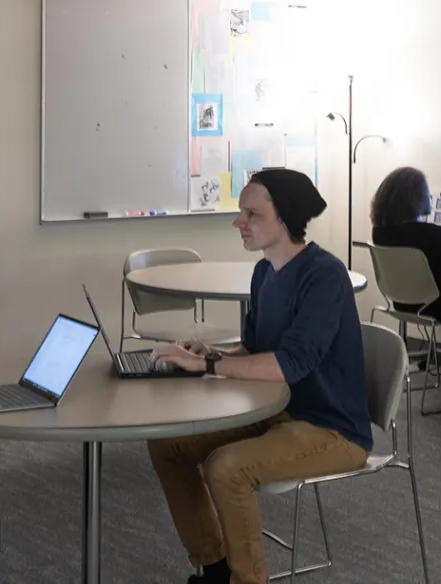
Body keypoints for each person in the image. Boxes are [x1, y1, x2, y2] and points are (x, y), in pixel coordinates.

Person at [147, 168, 372, 584]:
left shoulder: (324, 275)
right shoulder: (265, 272)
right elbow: (255, 351)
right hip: (276, 411)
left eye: (251, 213)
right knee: (167, 445)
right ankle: (213, 567)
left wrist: (211, 367)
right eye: (240, 212)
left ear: (284, 218)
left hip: (330, 428)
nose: (238, 222)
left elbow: (290, 364)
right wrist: (210, 353)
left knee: (227, 467)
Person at [369, 166, 441, 324]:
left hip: (400, 303)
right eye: (426, 191)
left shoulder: (379, 233)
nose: (429, 196)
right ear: (413, 198)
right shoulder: (437, 237)